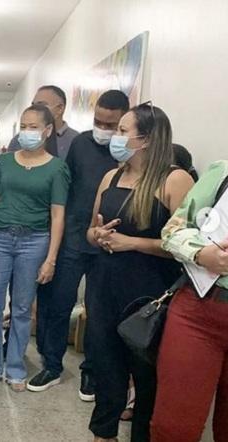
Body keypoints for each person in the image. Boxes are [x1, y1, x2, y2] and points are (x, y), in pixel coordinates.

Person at [85, 102, 193, 442]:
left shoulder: (175, 179)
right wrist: (99, 236)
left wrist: (132, 243)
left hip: (148, 290)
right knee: (105, 362)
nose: (115, 137)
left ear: (145, 139)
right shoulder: (111, 176)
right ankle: (104, 433)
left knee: (146, 373)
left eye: (122, 131)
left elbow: (185, 245)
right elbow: (91, 230)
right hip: (104, 282)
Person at [28, 90, 130, 400]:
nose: (103, 128)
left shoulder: (130, 152)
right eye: (98, 120)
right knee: (57, 303)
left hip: (109, 243)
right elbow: (63, 188)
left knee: (99, 313)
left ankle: (92, 371)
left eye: (111, 124)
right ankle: (52, 364)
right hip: (73, 237)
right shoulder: (81, 143)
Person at [0, 104, 70, 392]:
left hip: (34, 241)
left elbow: (57, 215)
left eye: (33, 127)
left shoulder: (57, 168)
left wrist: (51, 258)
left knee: (22, 309)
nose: (27, 132)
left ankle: (15, 367)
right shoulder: (3, 163)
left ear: (47, 130)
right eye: (23, 126)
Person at [150, 160, 228, 441]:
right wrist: (201, 253)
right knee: (174, 426)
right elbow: (173, 230)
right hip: (200, 311)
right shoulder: (222, 173)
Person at [32, 85, 79, 160]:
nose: (34, 110)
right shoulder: (21, 139)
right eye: (33, 106)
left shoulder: (77, 140)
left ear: (60, 108)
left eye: (41, 105)